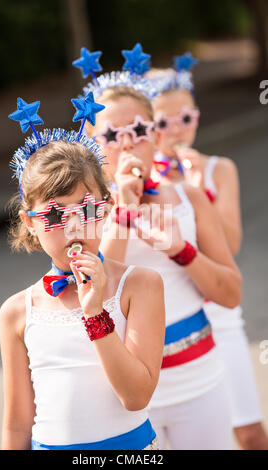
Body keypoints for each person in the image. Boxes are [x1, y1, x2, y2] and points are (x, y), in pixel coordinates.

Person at [79, 44, 242, 450]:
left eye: (139, 131)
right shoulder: (82, 213)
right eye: (112, 135)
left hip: (199, 379)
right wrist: (123, 210)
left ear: (155, 133)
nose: (128, 145)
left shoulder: (190, 198)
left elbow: (230, 292)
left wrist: (181, 250)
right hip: (122, 395)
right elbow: (99, 289)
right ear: (92, 143)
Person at [0, 95, 165, 450]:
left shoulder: (140, 285)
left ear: (105, 209)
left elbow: (136, 397)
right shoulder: (16, 311)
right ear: (30, 222)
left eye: (86, 210)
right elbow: (16, 426)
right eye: (56, 215)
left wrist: (95, 314)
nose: (73, 228)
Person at [150, 53, 268, 450]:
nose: (177, 130)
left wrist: (201, 189)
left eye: (186, 118)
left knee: (249, 430)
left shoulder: (220, 168)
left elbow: (229, 247)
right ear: (149, 127)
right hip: (173, 316)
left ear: (197, 116)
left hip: (219, 307)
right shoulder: (144, 181)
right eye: (163, 122)